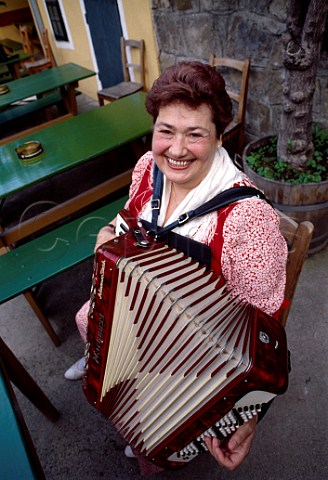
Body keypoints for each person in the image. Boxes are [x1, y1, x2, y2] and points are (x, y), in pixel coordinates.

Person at [64, 61, 288, 473]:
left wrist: (250, 415)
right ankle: (103, 368)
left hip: (192, 358)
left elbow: (262, 334)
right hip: (133, 320)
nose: (177, 149)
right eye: (166, 131)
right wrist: (109, 233)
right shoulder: (149, 168)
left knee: (156, 436)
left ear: (220, 137)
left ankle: (147, 441)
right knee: (87, 321)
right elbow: (127, 218)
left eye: (195, 134)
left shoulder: (246, 220)